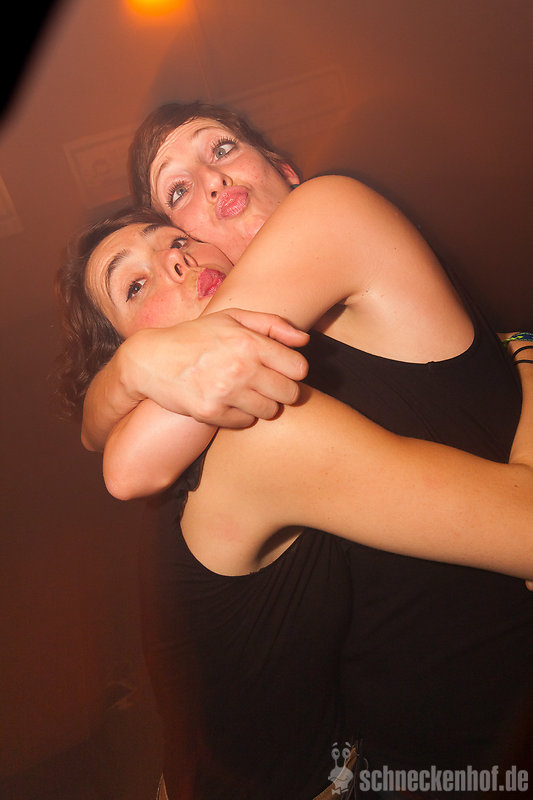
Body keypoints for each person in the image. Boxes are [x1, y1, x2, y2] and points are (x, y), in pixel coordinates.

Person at [56, 201, 533, 799]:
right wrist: (527, 361)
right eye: (134, 284)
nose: (176, 261)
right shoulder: (259, 433)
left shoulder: (213, 424)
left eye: (175, 240)